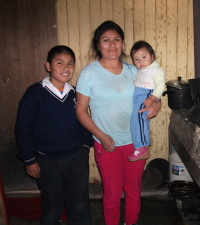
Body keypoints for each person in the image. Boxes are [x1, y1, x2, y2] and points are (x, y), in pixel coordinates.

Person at [75, 21, 161, 225]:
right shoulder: (88, 74)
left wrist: (156, 104)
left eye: (116, 40)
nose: (112, 45)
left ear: (122, 43)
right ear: (98, 45)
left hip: (136, 143)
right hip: (107, 143)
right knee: (112, 193)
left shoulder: (135, 71)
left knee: (133, 190)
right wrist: (102, 136)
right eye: (106, 40)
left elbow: (152, 94)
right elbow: (80, 111)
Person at [15, 45, 93, 225]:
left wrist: (84, 147)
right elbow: (23, 128)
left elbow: (84, 119)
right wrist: (29, 159)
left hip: (75, 157)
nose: (66, 68)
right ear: (48, 66)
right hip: (45, 160)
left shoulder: (75, 93)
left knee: (79, 202)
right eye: (60, 63)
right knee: (52, 203)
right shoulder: (34, 93)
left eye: (70, 64)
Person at [128, 40, 165, 162]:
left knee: (138, 117)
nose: (140, 61)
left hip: (146, 94)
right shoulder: (142, 71)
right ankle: (141, 145)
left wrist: (152, 99)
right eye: (136, 59)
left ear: (152, 56)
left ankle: (142, 146)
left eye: (144, 57)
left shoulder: (155, 70)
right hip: (140, 95)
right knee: (138, 119)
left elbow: (160, 86)